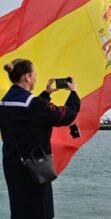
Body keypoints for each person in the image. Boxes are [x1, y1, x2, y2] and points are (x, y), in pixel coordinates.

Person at [0, 59, 80, 219]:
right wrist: (74, 94)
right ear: (27, 77)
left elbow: (30, 114)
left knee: (20, 210)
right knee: (40, 212)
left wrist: (46, 94)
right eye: (35, 74)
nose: (36, 77)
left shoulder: (4, 102)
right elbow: (64, 116)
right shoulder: (32, 104)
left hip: (12, 166)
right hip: (34, 167)